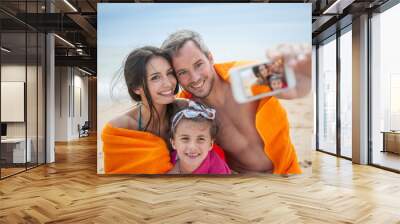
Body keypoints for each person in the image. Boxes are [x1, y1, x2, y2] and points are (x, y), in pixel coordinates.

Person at [161, 30, 311, 174]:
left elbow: (297, 86)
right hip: (239, 183)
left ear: (210, 58)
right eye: (182, 72)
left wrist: (303, 76)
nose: (194, 78)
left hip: (286, 172)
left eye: (198, 64)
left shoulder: (246, 75)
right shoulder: (185, 111)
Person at [101, 46, 180, 174]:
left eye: (170, 73)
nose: (168, 83)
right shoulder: (119, 130)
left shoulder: (187, 111)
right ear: (136, 88)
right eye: (155, 77)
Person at [168, 101, 231, 174]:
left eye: (201, 139)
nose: (192, 147)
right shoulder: (167, 162)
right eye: (185, 138)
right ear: (173, 143)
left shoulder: (219, 170)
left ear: (210, 144)